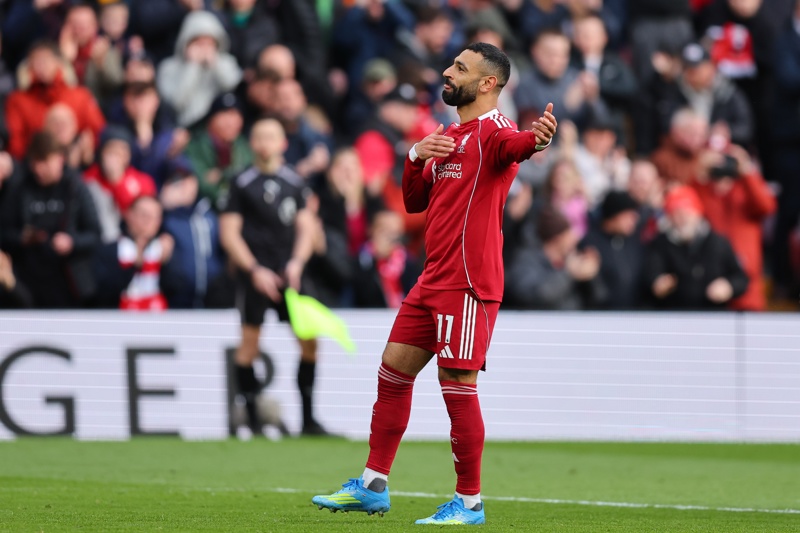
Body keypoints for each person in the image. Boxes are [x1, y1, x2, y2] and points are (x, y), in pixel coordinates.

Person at [312, 42, 557, 525]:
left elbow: (517, 147)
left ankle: (469, 502)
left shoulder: (495, 131)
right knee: (392, 372)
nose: (447, 72)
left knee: (457, 383)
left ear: (487, 83)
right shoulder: (450, 135)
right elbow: (413, 202)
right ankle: (372, 485)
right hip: (432, 279)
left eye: (459, 68)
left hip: (467, 283)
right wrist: (414, 154)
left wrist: (539, 140)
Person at [218, 118, 330, 437]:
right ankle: (253, 420)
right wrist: (254, 269)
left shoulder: (294, 182)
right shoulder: (240, 182)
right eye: (260, 137)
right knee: (249, 345)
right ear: (252, 143)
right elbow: (229, 234)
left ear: (283, 143)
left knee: (309, 342)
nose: (266, 143)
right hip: (256, 275)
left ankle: (308, 420)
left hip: (289, 274)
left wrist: (296, 263)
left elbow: (306, 228)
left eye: (272, 137)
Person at [0, 131, 101, 308]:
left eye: (45, 162)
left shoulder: (76, 187)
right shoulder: (19, 188)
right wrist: (23, 238)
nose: (39, 169)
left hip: (69, 283)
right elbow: (4, 233)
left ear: (60, 159)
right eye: (35, 163)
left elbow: (95, 234)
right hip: (28, 281)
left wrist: (72, 242)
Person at [643, 185, 749, 309]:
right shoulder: (660, 243)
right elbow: (650, 275)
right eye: (677, 214)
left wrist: (728, 286)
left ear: (698, 212)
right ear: (670, 218)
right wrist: (657, 283)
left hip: (712, 313)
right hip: (674, 313)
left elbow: (741, 278)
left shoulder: (718, 242)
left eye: (687, 212)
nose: (683, 218)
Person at [92, 194, 174, 310]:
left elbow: (177, 290)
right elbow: (103, 293)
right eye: (144, 215)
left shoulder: (165, 248)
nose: (148, 221)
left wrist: (167, 262)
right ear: (129, 215)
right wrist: (135, 265)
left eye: (155, 217)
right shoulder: (109, 250)